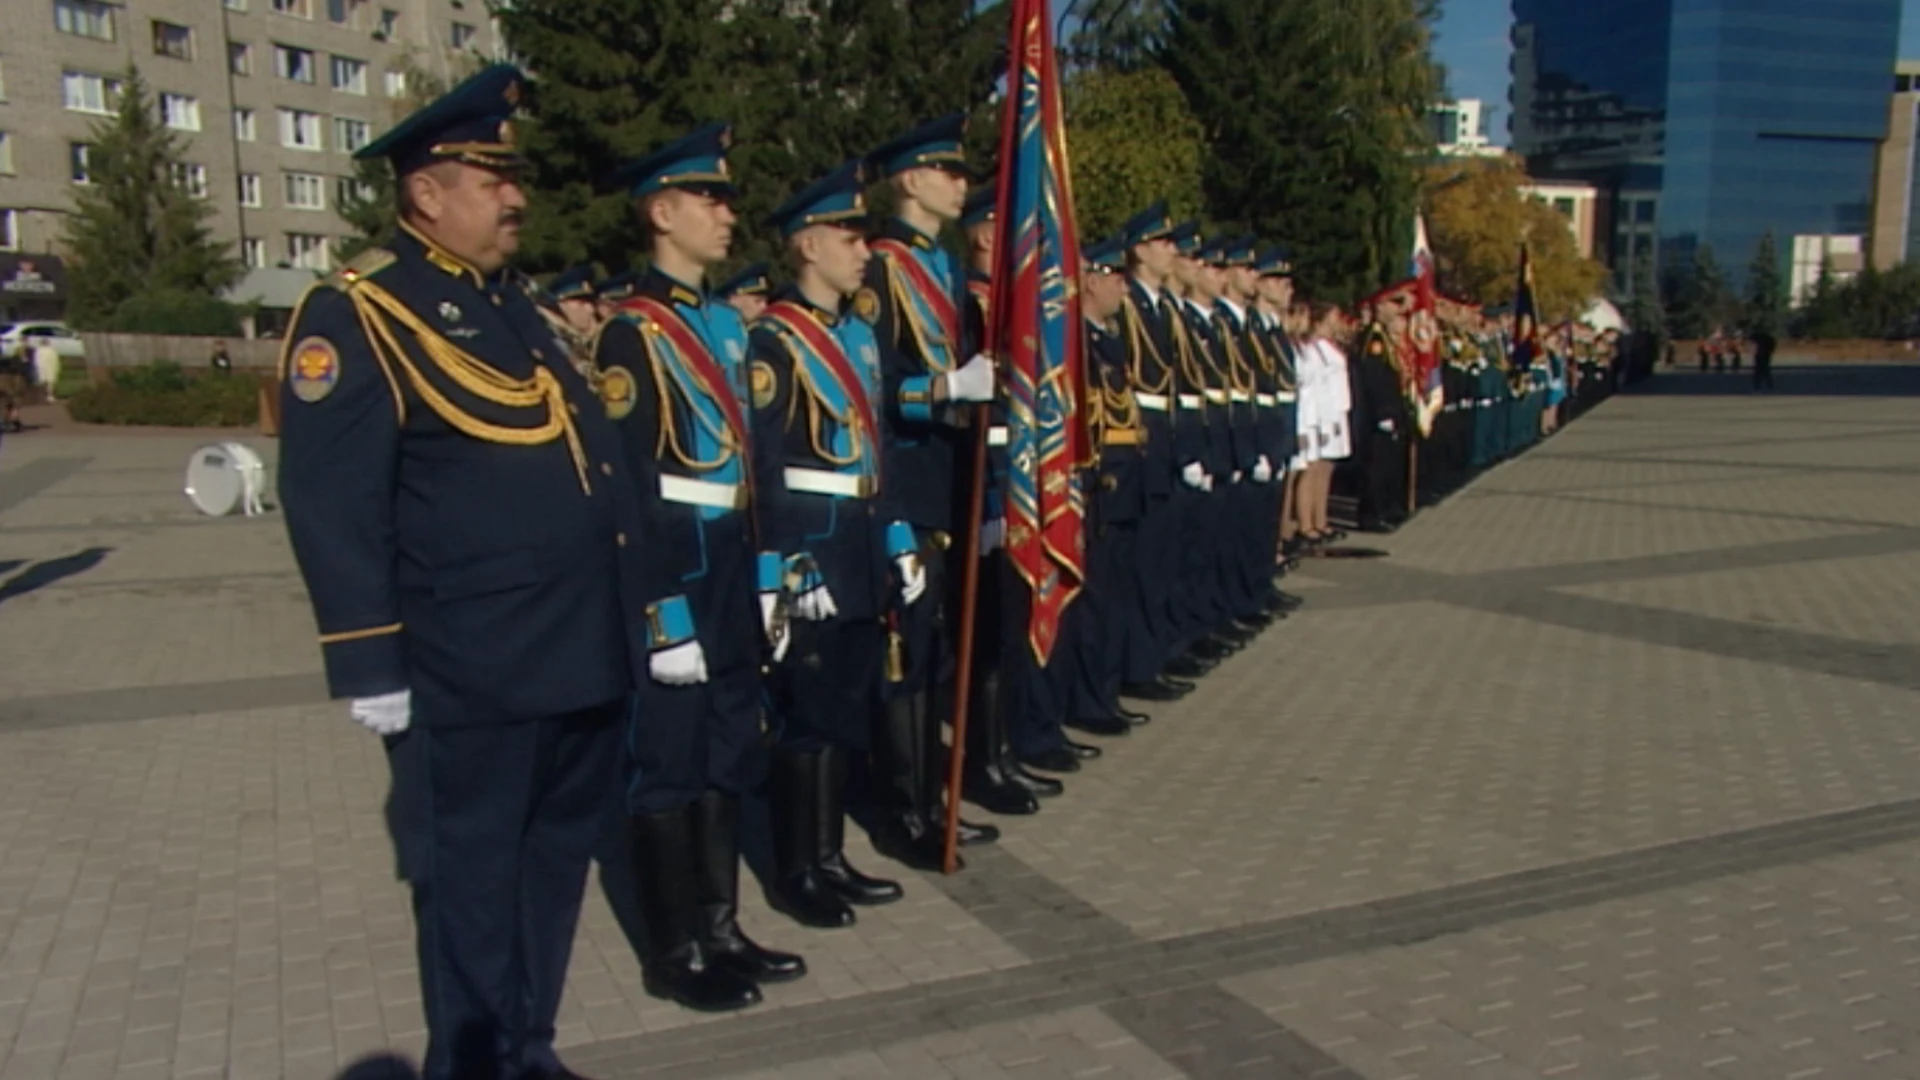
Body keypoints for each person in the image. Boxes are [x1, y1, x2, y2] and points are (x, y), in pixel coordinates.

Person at [274, 64, 640, 1080]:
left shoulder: (511, 304)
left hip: (573, 653)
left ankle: (527, 1051)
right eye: (491, 178)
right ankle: (475, 1064)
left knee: (550, 873)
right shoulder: (362, 310)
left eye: (512, 176)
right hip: (467, 668)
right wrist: (366, 659)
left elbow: (588, 464)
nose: (516, 196)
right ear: (427, 192)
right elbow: (329, 497)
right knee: (473, 891)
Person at [594, 122, 804, 1013]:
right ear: (661, 210)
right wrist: (659, 613)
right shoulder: (631, 337)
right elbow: (628, 490)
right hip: (675, 564)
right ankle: (671, 947)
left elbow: (754, 462)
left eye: (726, 197)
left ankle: (720, 925)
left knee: (729, 744)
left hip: (732, 556)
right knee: (669, 760)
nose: (728, 213)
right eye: (709, 198)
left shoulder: (724, 324)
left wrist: (768, 572)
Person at [746, 160, 909, 929]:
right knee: (805, 716)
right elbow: (768, 463)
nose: (864, 249)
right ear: (808, 245)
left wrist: (899, 534)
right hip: (815, 546)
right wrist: (784, 563)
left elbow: (879, 444)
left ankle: (831, 852)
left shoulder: (858, 335)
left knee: (844, 708)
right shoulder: (775, 342)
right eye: (849, 235)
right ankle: (795, 867)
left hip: (862, 537)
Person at [861, 114, 1001, 870]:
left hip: (947, 475)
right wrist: (946, 386)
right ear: (910, 181)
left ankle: (933, 799)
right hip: (907, 481)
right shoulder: (881, 269)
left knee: (939, 649)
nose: (961, 183)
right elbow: (874, 386)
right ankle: (903, 809)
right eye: (946, 172)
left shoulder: (945, 268)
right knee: (903, 655)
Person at [1114, 202, 1198, 703]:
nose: (1172, 253)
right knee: (1140, 567)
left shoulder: (1162, 307)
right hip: (1138, 439)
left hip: (1166, 439)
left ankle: (1156, 654)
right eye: (1163, 243)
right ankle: (1137, 665)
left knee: (1163, 560)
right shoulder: (1126, 305)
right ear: (1141, 250)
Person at [31, 338, 62, 403]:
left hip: (42, 369)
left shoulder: (38, 351)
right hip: (49, 368)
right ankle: (49, 396)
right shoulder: (52, 350)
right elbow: (55, 361)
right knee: (50, 383)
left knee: (43, 382)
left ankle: (43, 397)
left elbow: (36, 361)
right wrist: (57, 368)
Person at [1752, 326, 1777, 392]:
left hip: (1761, 355)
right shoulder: (1769, 339)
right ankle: (1768, 384)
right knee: (1765, 371)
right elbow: (1772, 347)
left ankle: (1758, 385)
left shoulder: (1760, 338)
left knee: (1760, 371)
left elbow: (1751, 338)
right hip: (1765, 355)